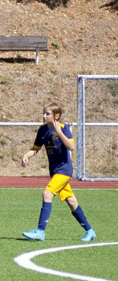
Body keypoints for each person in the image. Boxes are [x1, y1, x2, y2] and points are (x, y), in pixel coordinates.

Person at [21, 103, 95, 242]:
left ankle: (40, 231)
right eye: (43, 113)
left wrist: (59, 132)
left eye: (47, 113)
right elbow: (36, 148)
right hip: (55, 171)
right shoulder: (42, 130)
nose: (44, 116)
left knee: (47, 193)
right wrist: (26, 155)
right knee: (71, 201)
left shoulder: (63, 128)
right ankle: (90, 231)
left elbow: (72, 147)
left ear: (57, 116)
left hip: (64, 170)